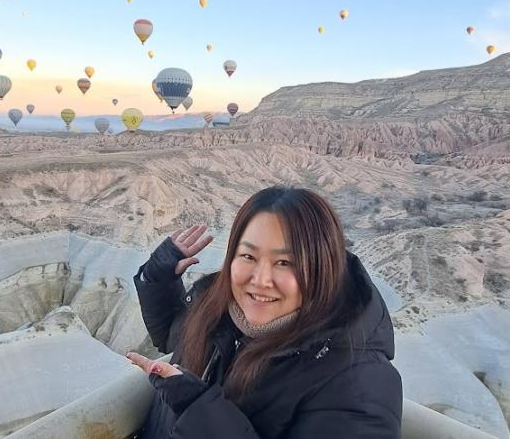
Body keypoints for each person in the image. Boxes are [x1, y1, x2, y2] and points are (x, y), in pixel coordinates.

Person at [127, 186, 402, 438]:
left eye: (284, 262)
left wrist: (196, 408)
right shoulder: (220, 313)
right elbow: (171, 337)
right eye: (248, 256)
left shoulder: (358, 383)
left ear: (321, 269)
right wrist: (157, 279)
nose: (260, 279)